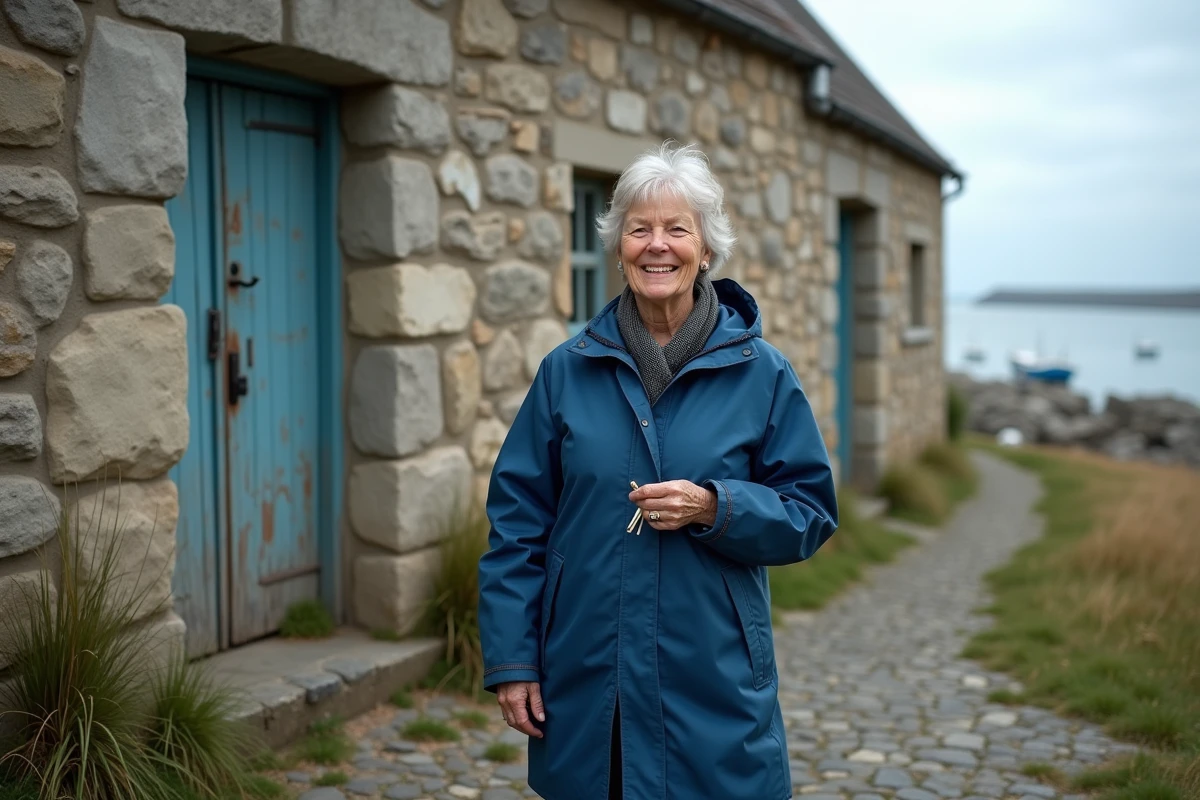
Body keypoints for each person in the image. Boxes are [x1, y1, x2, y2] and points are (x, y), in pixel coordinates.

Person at [477, 142, 839, 800]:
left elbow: (809, 513)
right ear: (619, 246)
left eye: (677, 228)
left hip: (714, 677)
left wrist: (715, 507)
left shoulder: (763, 375)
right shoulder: (566, 371)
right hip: (589, 680)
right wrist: (513, 660)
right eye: (639, 228)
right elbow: (517, 523)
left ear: (706, 247)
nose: (657, 245)